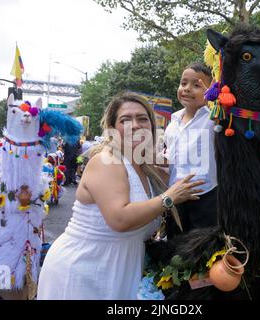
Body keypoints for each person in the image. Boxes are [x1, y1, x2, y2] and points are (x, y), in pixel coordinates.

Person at [37, 93, 204, 299]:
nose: (135, 125)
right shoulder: (106, 161)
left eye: (142, 118)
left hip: (122, 271)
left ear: (151, 127)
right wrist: (169, 197)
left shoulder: (147, 167)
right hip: (84, 271)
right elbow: (120, 219)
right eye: (125, 119)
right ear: (113, 129)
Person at [163, 62, 217, 238]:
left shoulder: (213, 119)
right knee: (174, 243)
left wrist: (214, 101)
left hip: (205, 197)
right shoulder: (173, 122)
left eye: (197, 85)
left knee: (202, 246)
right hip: (175, 195)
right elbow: (172, 157)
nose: (187, 89)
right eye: (183, 83)